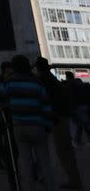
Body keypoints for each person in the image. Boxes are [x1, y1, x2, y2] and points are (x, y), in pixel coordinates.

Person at [0, 54, 54, 191]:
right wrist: (48, 125)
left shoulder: (10, 82)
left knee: (25, 164)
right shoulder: (37, 82)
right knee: (45, 163)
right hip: (38, 125)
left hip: (19, 126)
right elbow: (46, 106)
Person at [35, 57, 83, 190]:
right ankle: (74, 179)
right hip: (62, 117)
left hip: (57, 119)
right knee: (65, 151)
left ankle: (74, 181)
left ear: (38, 69)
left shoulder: (45, 81)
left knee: (63, 151)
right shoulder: (52, 79)